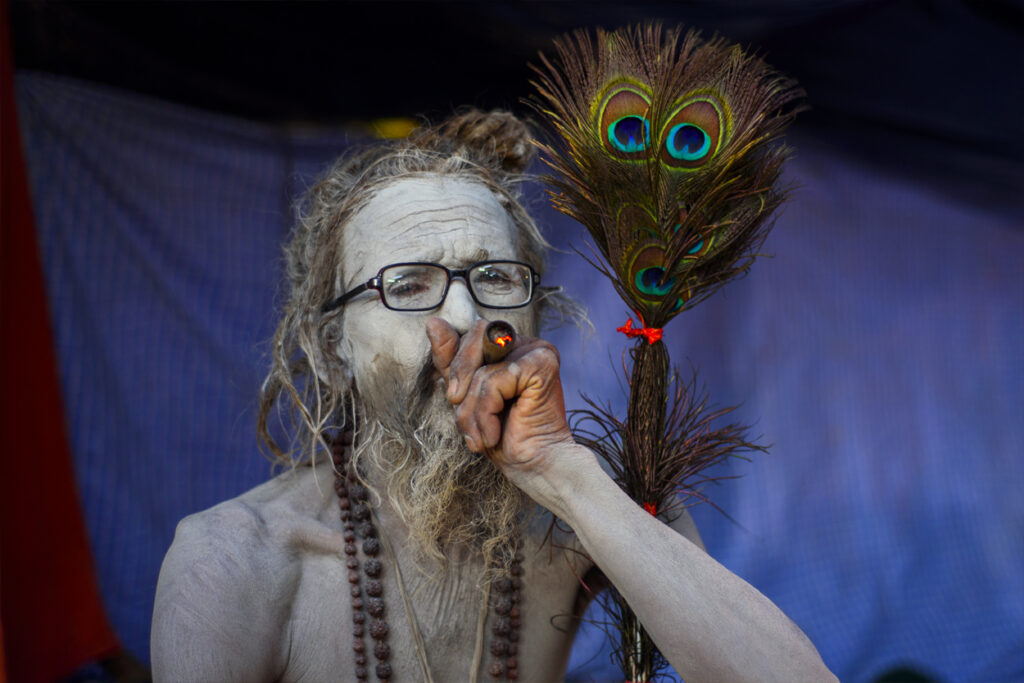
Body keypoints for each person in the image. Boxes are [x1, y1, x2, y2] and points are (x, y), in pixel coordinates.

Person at [151, 110, 836, 683]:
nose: (465, 315)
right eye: (409, 284)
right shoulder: (235, 563)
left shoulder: (588, 506)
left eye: (496, 276)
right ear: (332, 347)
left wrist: (565, 477)